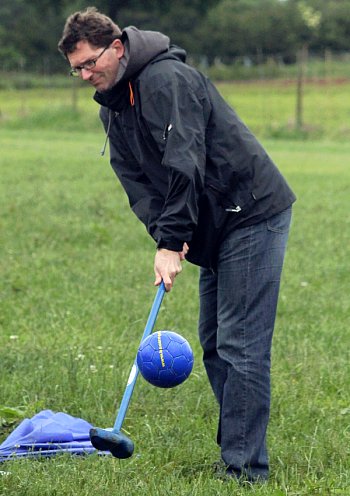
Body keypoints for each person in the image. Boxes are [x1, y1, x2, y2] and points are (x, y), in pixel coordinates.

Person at [58, 7, 296, 482]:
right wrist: (168, 235)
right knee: (213, 344)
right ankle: (236, 452)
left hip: (249, 211)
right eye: (76, 70)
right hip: (212, 226)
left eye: (90, 64)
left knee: (240, 346)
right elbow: (138, 185)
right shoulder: (115, 105)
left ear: (117, 47)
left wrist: (172, 240)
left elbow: (185, 163)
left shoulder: (167, 80)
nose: (85, 76)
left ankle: (246, 470)